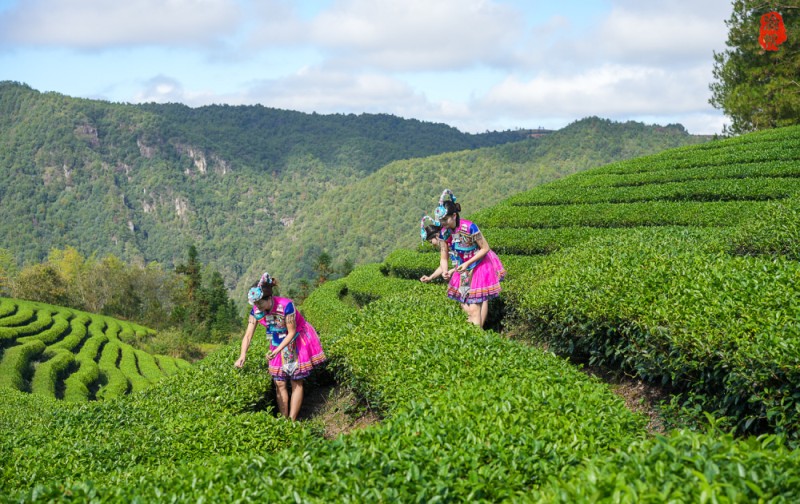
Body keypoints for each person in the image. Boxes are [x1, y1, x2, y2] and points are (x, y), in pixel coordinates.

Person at [234, 272, 326, 420]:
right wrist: (242, 355)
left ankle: (292, 419)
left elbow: (291, 332)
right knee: (279, 383)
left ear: (269, 298)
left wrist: (276, 351)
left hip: (295, 340)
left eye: (260, 303)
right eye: (255, 304)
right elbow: (248, 335)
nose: (257, 307)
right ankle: (284, 420)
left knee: (296, 380)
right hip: (277, 340)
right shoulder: (256, 311)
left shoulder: (286, 306)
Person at [426, 189, 505, 328]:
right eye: (441, 220)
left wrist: (468, 262)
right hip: (463, 271)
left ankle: (477, 339)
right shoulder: (444, 234)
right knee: (467, 308)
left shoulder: (469, 227)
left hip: (479, 266)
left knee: (475, 307)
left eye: (445, 219)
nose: (443, 223)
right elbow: (444, 257)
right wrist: (445, 270)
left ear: (454, 215)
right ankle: (475, 338)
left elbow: (485, 248)